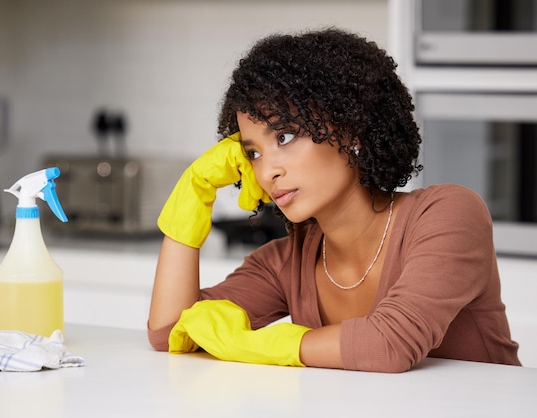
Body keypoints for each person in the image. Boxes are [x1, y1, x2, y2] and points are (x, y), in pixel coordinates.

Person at [147, 27, 520, 373]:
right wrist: (194, 190)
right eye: (253, 153)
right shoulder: (287, 261)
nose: (267, 172)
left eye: (286, 136)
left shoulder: (449, 215)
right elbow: (170, 331)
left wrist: (255, 345)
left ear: (351, 127)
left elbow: (389, 344)